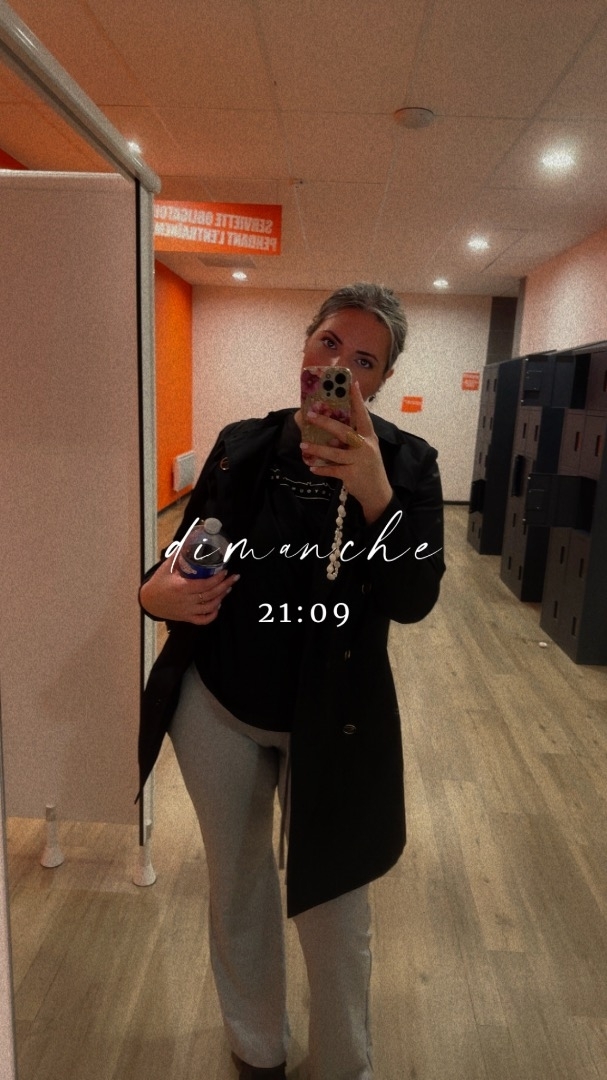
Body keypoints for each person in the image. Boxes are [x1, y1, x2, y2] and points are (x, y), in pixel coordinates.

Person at [138, 283, 445, 1080]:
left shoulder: (408, 466)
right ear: (306, 348)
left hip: (335, 719)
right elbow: (189, 547)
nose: (341, 365)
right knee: (237, 886)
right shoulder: (243, 445)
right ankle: (257, 1049)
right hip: (218, 704)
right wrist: (153, 591)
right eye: (329, 344)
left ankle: (343, 1065)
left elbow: (413, 599)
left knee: (336, 905)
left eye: (364, 359)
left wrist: (375, 495)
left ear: (379, 381)